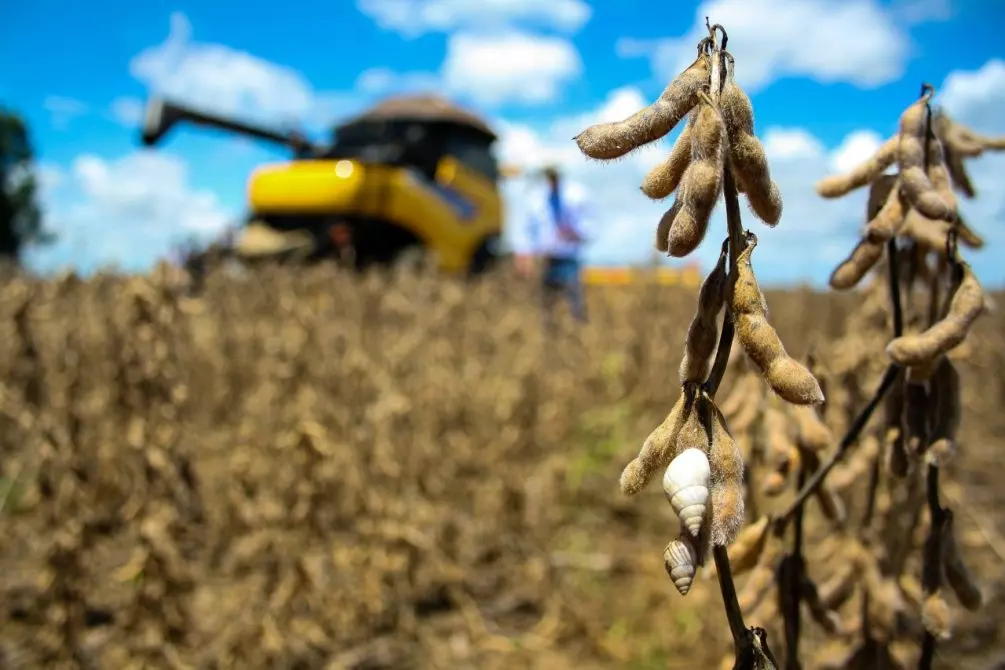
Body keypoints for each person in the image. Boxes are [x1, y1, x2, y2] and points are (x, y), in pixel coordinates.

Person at [512, 165, 595, 328]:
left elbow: (591, 225)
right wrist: (524, 254)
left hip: (569, 259)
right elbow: (528, 230)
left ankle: (578, 334)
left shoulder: (577, 195)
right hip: (546, 260)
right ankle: (551, 338)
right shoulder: (537, 200)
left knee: (574, 303)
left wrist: (576, 232)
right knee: (547, 306)